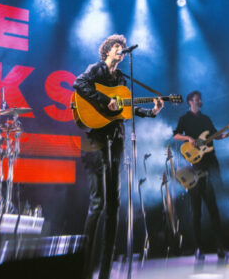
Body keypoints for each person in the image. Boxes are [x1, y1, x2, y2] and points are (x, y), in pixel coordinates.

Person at [73, 34, 164, 279]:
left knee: (113, 204)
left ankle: (104, 271)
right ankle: (84, 268)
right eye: (116, 46)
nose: (120, 50)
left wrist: (152, 111)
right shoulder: (96, 69)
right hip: (96, 139)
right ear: (107, 51)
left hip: (117, 138)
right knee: (98, 203)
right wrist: (106, 100)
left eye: (122, 48)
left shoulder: (122, 79)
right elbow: (78, 84)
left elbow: (126, 107)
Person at [172, 90, 229, 260]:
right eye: (197, 99)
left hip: (208, 165)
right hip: (194, 168)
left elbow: (215, 135)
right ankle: (199, 248)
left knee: (213, 209)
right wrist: (188, 138)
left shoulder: (206, 119)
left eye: (200, 99)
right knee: (196, 211)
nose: (200, 101)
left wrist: (228, 133)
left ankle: (221, 248)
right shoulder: (184, 119)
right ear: (190, 102)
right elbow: (175, 134)